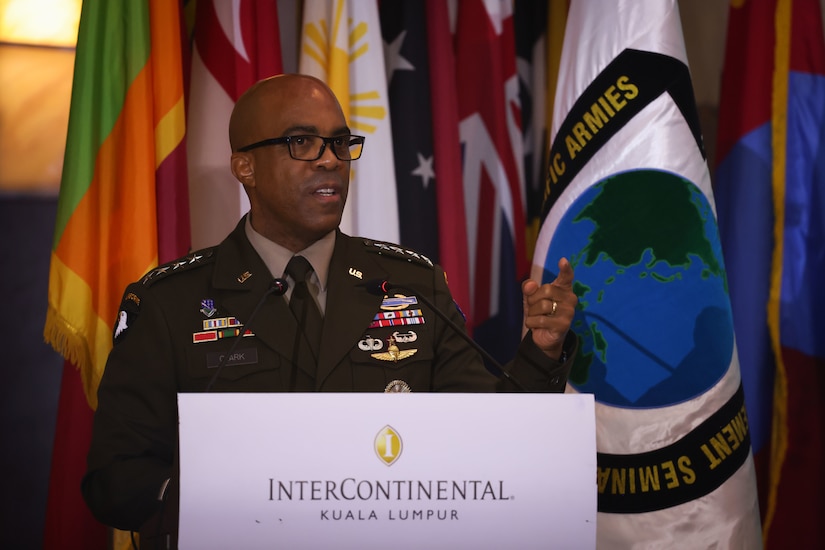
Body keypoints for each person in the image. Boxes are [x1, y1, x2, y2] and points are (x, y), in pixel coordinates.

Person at [82, 74, 579, 547]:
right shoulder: (170, 303)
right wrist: (210, 498)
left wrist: (540, 350)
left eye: (340, 143)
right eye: (302, 143)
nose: (330, 161)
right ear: (244, 166)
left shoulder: (412, 284)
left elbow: (487, 436)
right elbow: (115, 477)